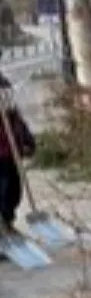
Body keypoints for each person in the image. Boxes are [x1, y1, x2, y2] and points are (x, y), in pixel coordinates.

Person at [0, 73, 36, 234]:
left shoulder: (4, 85)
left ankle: (7, 223)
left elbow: (18, 121)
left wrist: (27, 141)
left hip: (11, 154)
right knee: (3, 191)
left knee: (13, 191)